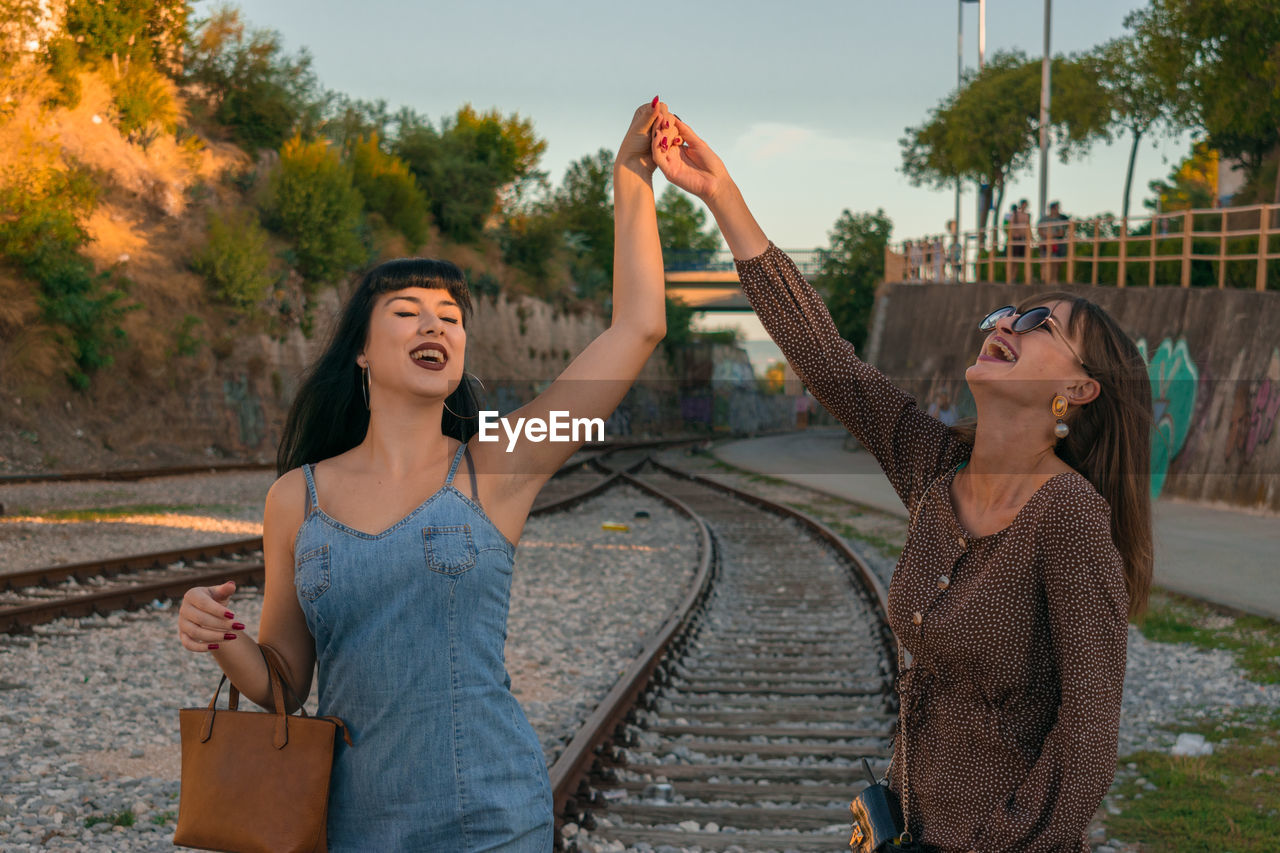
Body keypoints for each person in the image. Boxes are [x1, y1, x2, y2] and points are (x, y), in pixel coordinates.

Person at [175, 100, 673, 851]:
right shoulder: (296, 499)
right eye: (408, 311)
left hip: (492, 820)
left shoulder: (498, 467)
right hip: (353, 824)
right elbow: (283, 683)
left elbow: (638, 327)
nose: (435, 325)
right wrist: (218, 635)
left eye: (450, 315)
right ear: (363, 353)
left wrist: (629, 177)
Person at [653, 108, 1154, 853]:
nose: (1005, 324)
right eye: (1005, 314)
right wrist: (720, 194)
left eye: (1039, 324)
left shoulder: (1069, 517)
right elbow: (830, 362)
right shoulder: (934, 468)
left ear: (1080, 392)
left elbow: (1085, 745)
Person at [1038, 200, 1070, 283]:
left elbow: (1061, 232)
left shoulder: (1058, 220)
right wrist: (1047, 236)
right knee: (1044, 261)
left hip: (1055, 244)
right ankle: (1044, 280)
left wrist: (1051, 236)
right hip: (1044, 244)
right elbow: (1039, 230)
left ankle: (1054, 280)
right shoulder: (1043, 219)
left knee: (1055, 262)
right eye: (1056, 208)